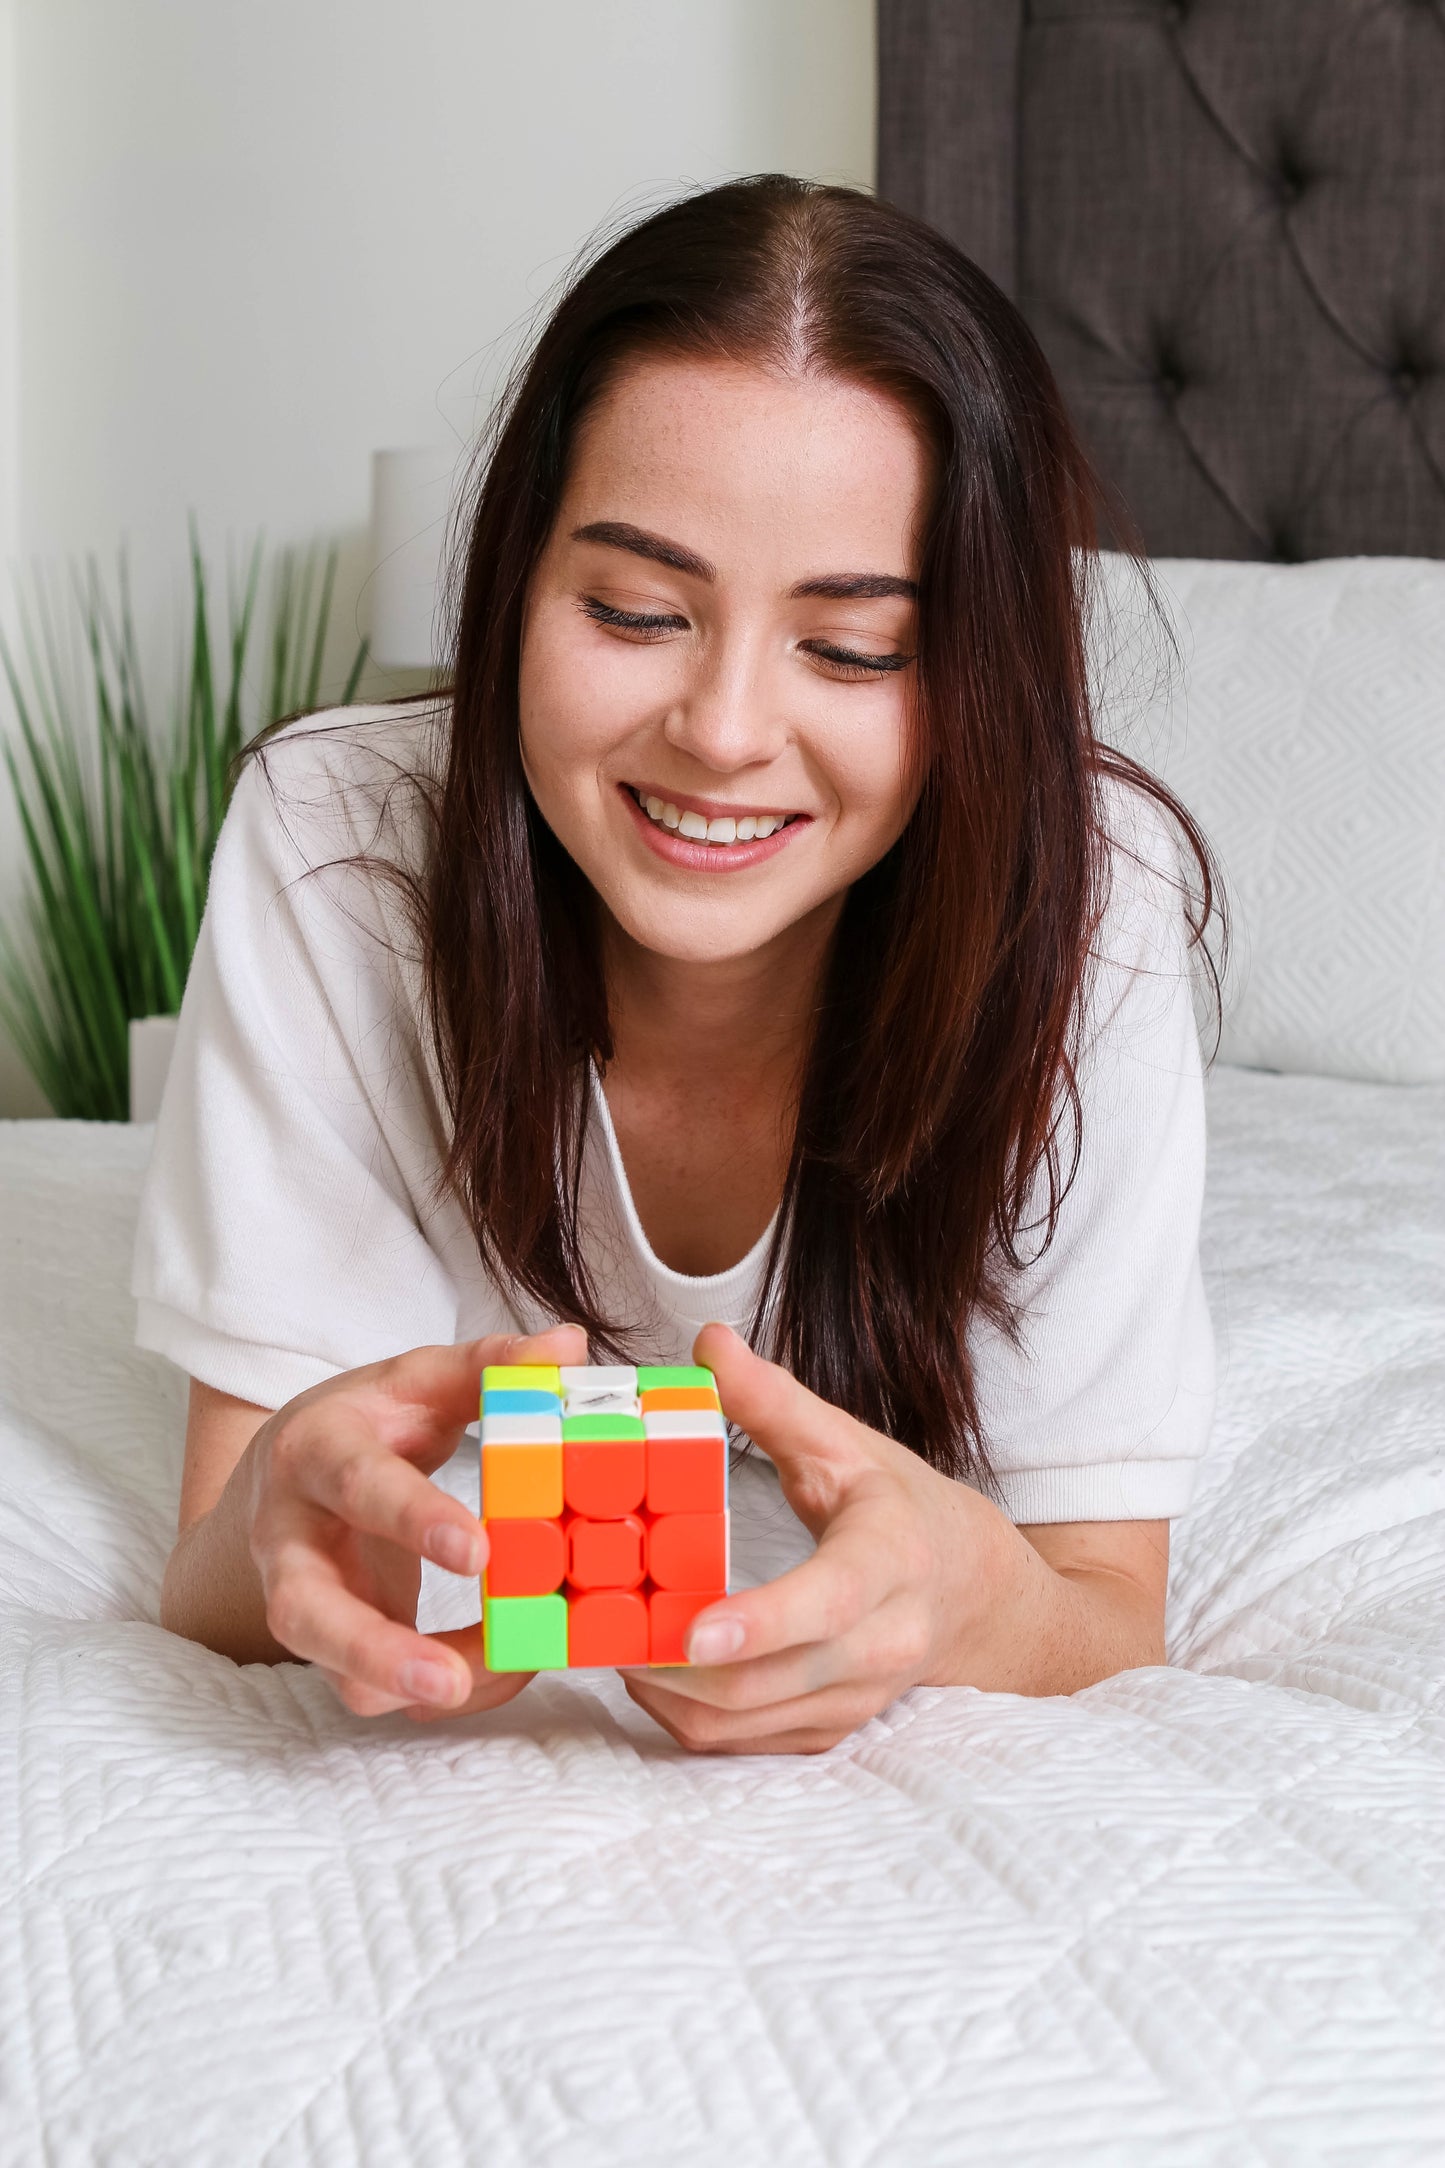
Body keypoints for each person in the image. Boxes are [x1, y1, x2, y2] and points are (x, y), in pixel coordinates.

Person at [134, 175, 1219, 1756]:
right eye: (636, 610)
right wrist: (287, 1530)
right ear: (515, 588)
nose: (719, 734)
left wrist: (976, 1598)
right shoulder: (331, 835)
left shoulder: (1093, 901)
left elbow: (1102, 1601)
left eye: (851, 648)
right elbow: (218, 1559)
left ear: (978, 667)